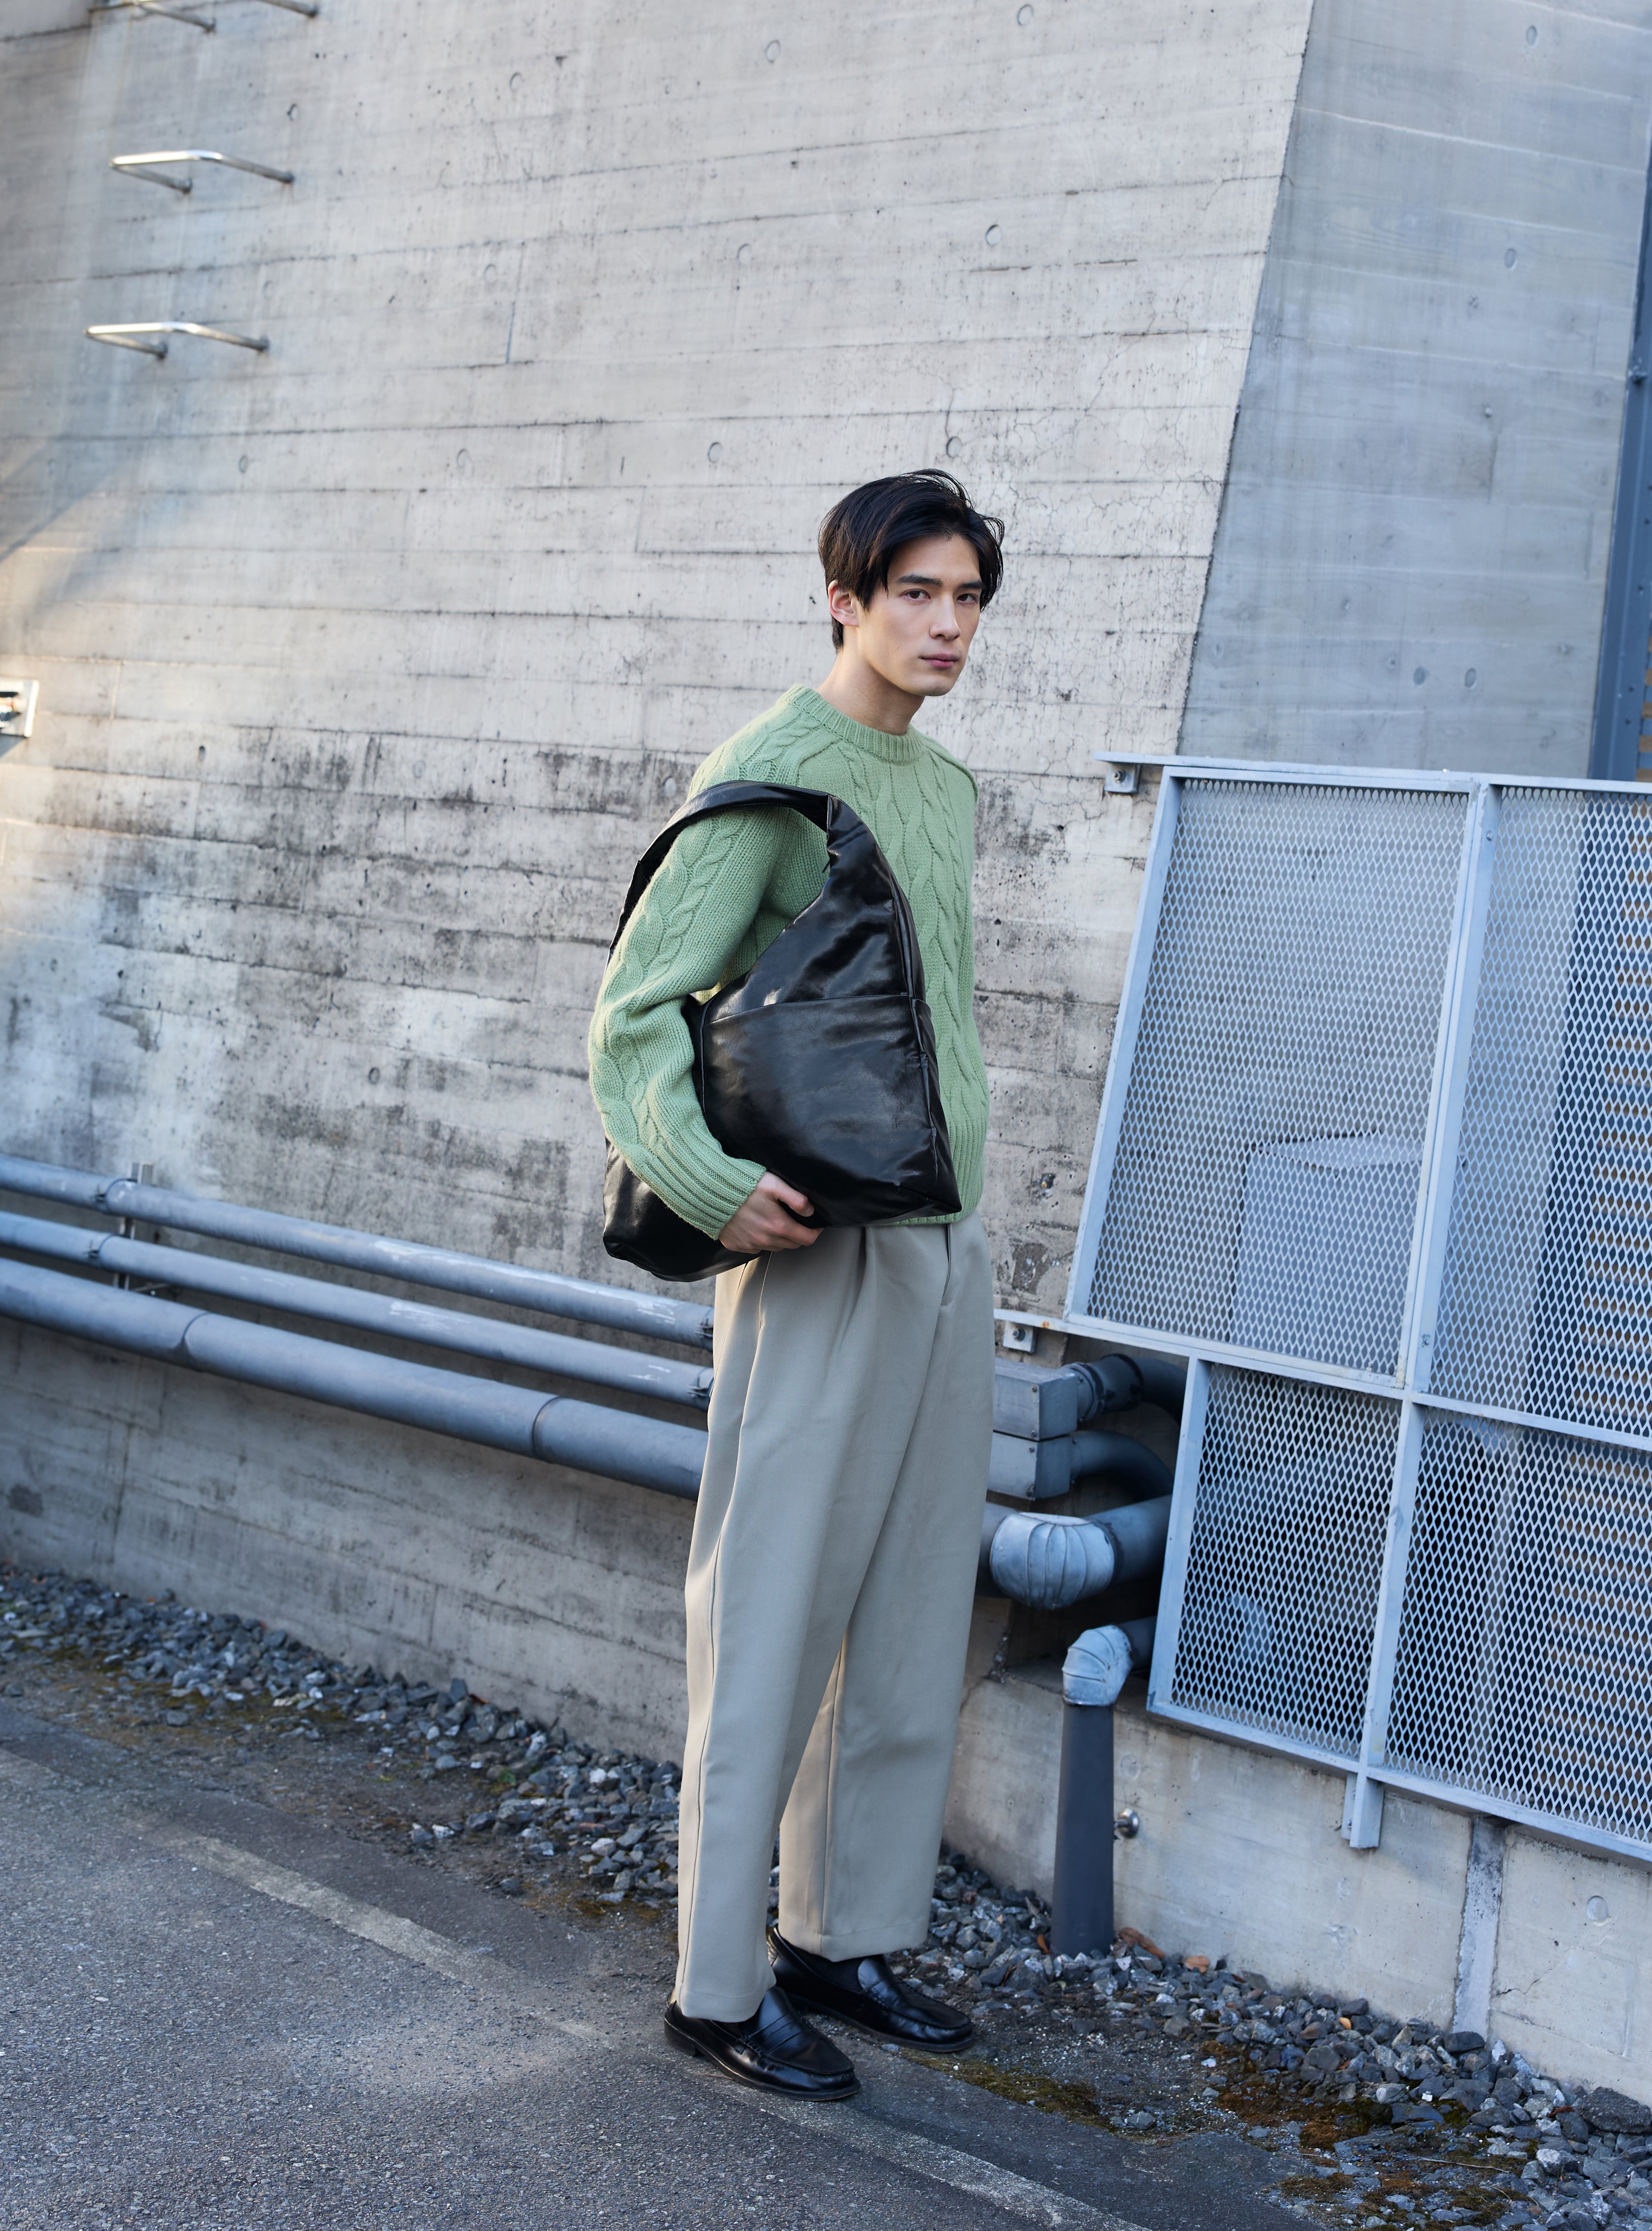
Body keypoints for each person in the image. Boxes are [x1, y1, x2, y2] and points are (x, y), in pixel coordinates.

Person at [587, 470, 1001, 2100]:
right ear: (844, 597)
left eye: (967, 597)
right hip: (815, 1252)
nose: (946, 625)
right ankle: (714, 1981)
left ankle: (839, 1933)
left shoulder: (942, 786)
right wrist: (706, 1184)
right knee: (769, 1614)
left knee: (907, 1613)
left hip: (942, 1246)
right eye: (915, 593)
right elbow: (635, 1011)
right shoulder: (769, 774)